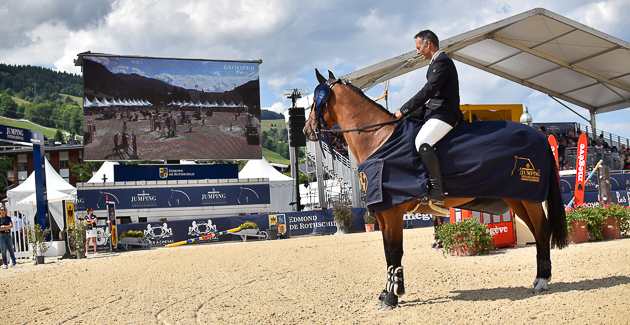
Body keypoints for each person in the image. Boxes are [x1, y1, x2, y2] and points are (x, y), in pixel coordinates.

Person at [395, 30, 463, 204]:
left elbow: (429, 90)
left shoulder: (442, 62)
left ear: (428, 44)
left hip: (445, 114)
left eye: (418, 48)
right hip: (436, 111)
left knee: (422, 142)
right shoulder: (435, 63)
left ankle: (437, 191)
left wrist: (403, 110)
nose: (417, 52)